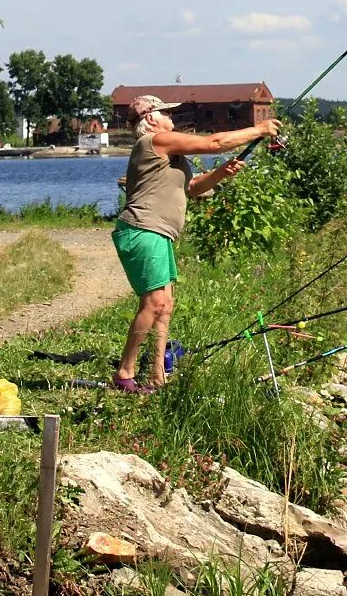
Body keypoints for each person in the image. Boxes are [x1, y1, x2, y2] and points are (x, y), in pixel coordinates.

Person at [111, 94, 281, 393]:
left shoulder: (169, 154)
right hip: (142, 229)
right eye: (167, 114)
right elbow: (214, 143)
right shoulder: (153, 142)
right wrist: (259, 129)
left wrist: (218, 174)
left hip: (158, 233)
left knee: (165, 306)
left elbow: (192, 189)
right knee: (154, 303)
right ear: (151, 119)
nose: (172, 119)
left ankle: (155, 375)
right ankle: (125, 373)